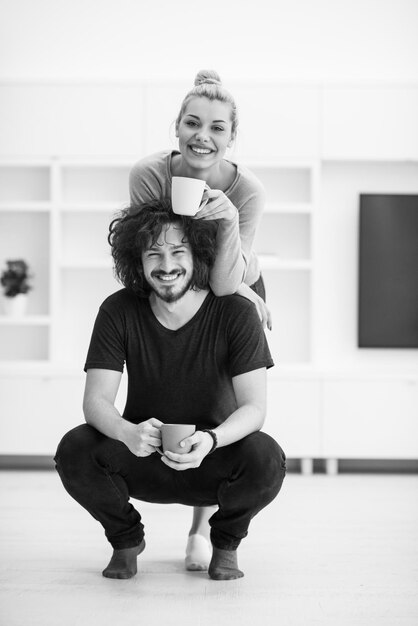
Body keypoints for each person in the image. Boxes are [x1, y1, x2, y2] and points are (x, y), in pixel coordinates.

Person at [54, 201, 286, 581]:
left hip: (212, 457)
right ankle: (126, 539)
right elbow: (96, 402)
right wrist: (128, 432)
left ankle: (224, 544)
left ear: (199, 256)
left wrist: (212, 440)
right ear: (137, 261)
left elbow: (255, 408)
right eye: (153, 254)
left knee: (266, 458)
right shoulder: (118, 310)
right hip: (142, 454)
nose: (166, 265)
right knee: (74, 449)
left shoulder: (235, 313)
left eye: (178, 251)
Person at [129, 69, 272, 569]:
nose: (202, 136)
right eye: (193, 123)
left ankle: (201, 530)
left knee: (218, 404)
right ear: (177, 126)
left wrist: (227, 219)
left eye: (216, 128)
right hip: (176, 280)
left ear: (232, 137)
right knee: (177, 396)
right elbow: (145, 248)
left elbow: (230, 278)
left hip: (231, 283)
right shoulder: (149, 174)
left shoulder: (247, 189)